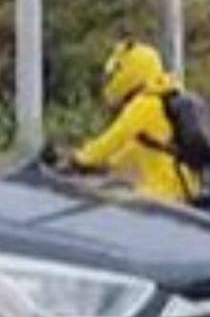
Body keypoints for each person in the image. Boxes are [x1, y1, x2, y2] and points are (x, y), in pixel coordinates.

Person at [72, 40, 199, 203]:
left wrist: (81, 159)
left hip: (163, 192)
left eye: (117, 70)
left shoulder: (144, 103)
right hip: (182, 188)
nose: (112, 77)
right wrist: (108, 164)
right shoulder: (161, 98)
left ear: (132, 71)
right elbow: (137, 147)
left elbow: (115, 137)